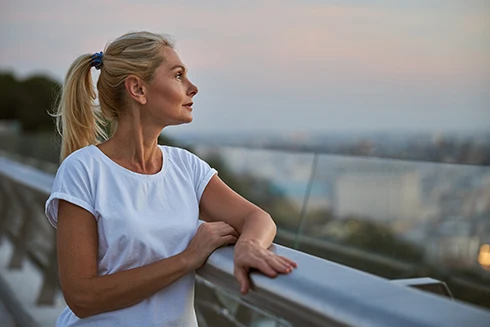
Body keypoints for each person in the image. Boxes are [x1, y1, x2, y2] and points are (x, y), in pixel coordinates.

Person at [44, 31, 297, 326]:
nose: (193, 88)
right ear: (138, 89)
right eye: (178, 76)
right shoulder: (83, 170)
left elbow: (257, 217)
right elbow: (82, 298)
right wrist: (187, 258)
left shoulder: (186, 167)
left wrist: (249, 245)